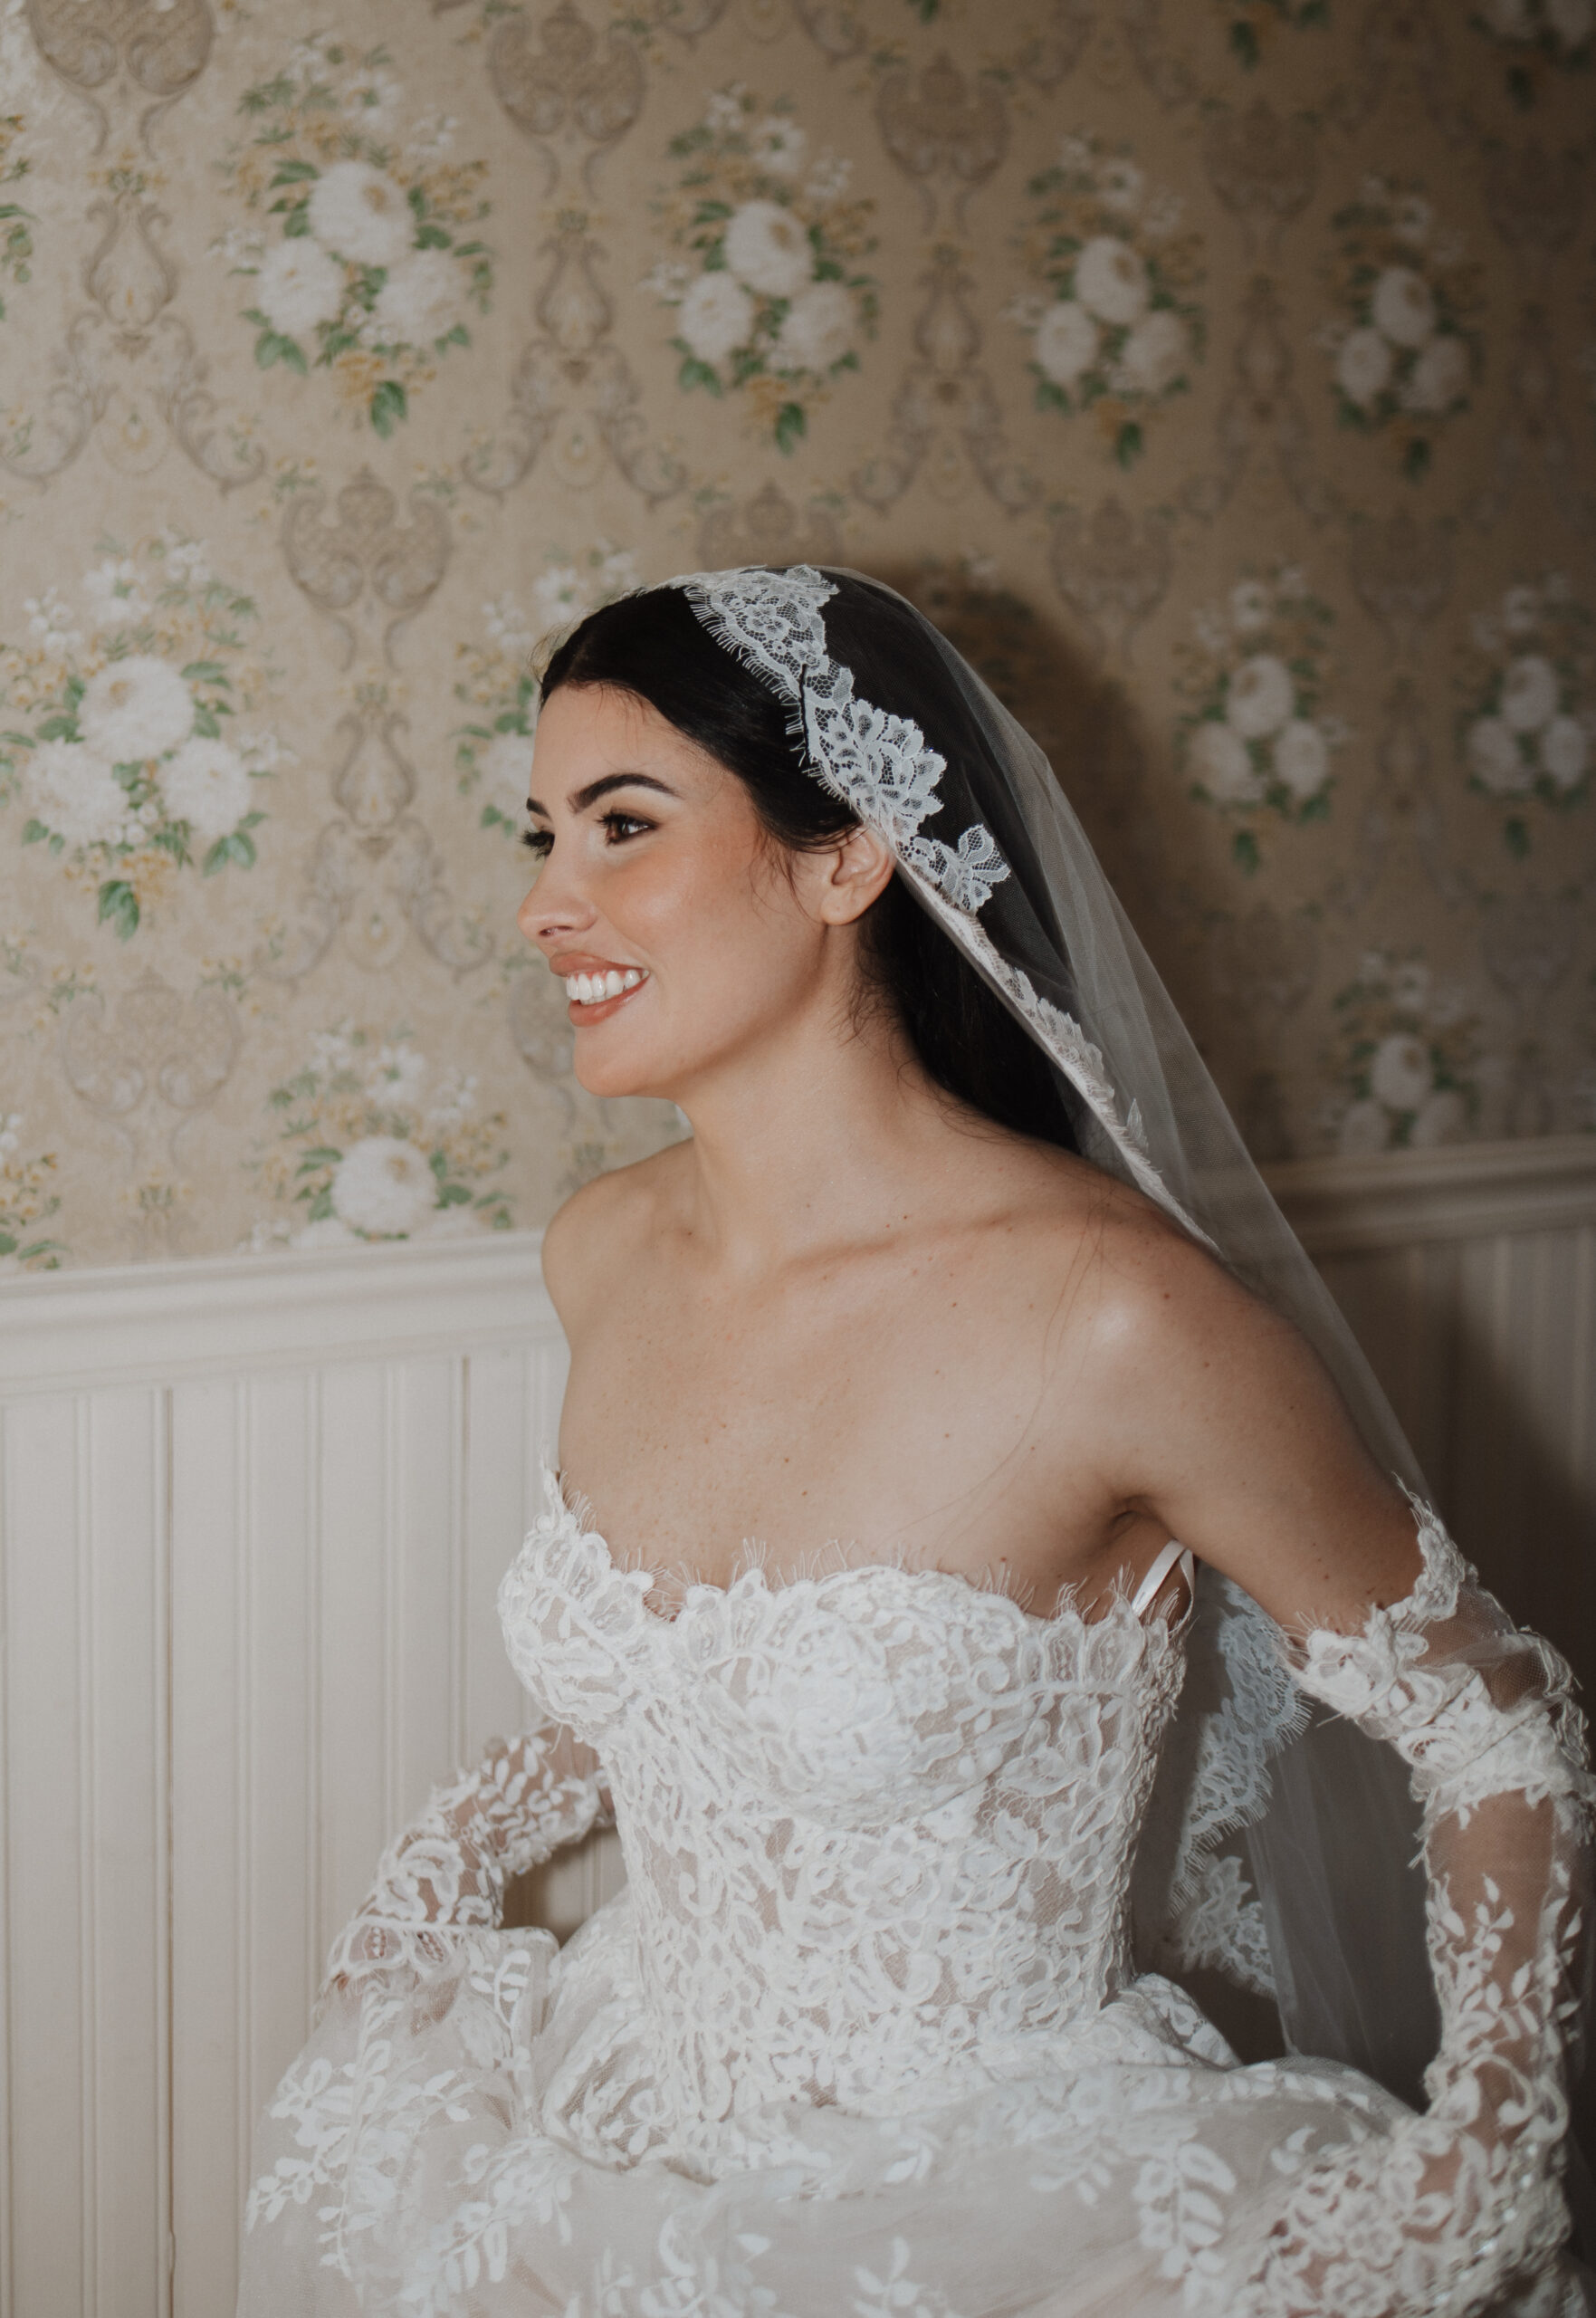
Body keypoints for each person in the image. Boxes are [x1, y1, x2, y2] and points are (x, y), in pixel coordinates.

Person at [237, 565, 1593, 2317]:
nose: (545, 905)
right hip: (605, 2141)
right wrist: (442, 1862)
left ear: (848, 857)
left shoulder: (1117, 1320)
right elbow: (684, 1683)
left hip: (997, 2211)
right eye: (542, 835)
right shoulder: (604, 1255)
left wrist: (1488, 2139)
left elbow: (1497, 1728)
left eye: (622, 826)